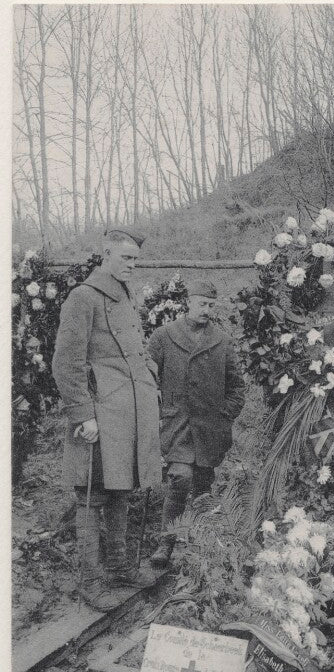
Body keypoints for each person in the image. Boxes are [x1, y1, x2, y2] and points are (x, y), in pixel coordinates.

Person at [52, 228, 162, 611]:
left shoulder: (126, 294)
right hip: (100, 414)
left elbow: (137, 347)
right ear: (106, 255)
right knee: (91, 495)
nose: (132, 265)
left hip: (129, 412)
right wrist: (83, 416)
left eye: (136, 259)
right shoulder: (83, 297)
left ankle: (119, 567)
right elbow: (66, 363)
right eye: (125, 258)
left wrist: (150, 375)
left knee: (122, 490)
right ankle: (90, 580)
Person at [148, 279, 245, 567]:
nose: (206, 310)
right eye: (202, 303)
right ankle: (166, 542)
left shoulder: (222, 340)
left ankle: (202, 549)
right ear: (188, 302)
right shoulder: (163, 336)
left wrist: (225, 414)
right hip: (176, 424)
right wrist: (157, 411)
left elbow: (237, 386)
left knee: (203, 486)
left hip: (210, 428)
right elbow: (147, 380)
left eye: (211, 305)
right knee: (180, 478)